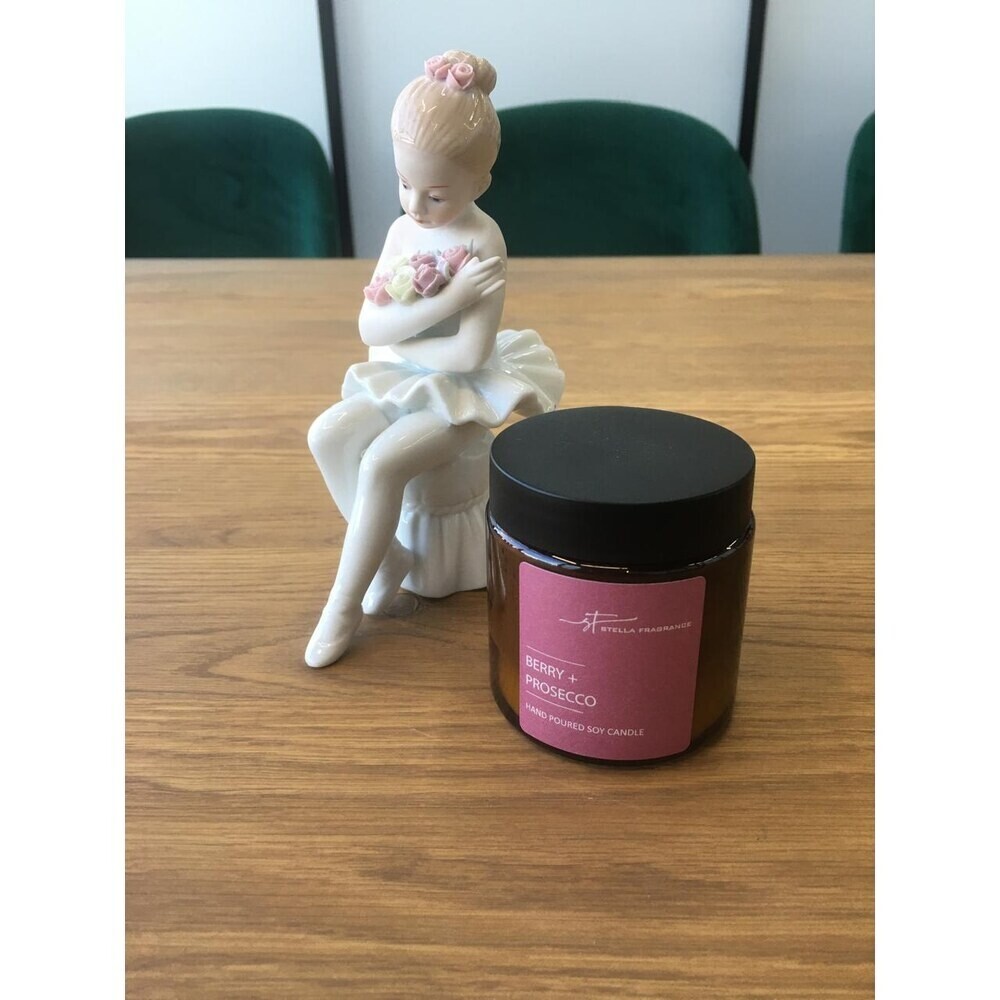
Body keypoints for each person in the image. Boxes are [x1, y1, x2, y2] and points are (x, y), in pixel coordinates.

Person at [305, 51, 563, 668]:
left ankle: (342, 605)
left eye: (437, 194)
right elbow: (369, 325)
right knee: (327, 434)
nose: (416, 205)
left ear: (479, 185)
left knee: (381, 464)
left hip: (461, 394)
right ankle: (389, 555)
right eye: (404, 184)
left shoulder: (482, 240)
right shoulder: (403, 232)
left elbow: (468, 355)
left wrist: (401, 338)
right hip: (400, 377)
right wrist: (443, 302)